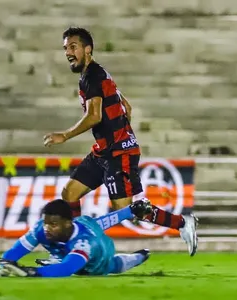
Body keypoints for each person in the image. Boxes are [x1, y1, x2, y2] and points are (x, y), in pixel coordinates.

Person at [42, 27, 198, 256]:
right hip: (104, 151)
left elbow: (95, 115)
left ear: (88, 49)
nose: (68, 52)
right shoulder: (97, 74)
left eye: (73, 46)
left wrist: (64, 135)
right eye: (66, 48)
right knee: (69, 194)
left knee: (125, 210)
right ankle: (77, 246)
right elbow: (126, 106)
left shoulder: (92, 76)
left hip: (118, 152)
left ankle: (183, 223)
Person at [0, 199, 152, 278]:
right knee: (92, 225)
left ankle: (139, 256)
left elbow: (68, 269)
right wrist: (3, 266)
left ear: (68, 224)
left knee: (111, 266)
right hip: (76, 242)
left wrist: (33, 272)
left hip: (99, 257)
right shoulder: (41, 228)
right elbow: (16, 251)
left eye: (53, 224)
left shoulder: (84, 242)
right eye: (46, 223)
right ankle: (54, 260)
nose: (47, 228)